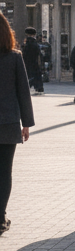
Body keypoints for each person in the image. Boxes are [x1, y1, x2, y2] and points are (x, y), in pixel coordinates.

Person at [0, 12, 34, 236]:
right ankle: (0, 216)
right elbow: (23, 92)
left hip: (8, 121)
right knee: (4, 172)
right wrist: (26, 123)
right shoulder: (14, 57)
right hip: (8, 122)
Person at [22, 28, 44, 95]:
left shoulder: (26, 43)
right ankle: (39, 88)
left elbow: (24, 54)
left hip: (27, 63)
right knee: (36, 76)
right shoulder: (35, 43)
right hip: (35, 62)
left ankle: (27, 88)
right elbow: (39, 54)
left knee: (28, 76)